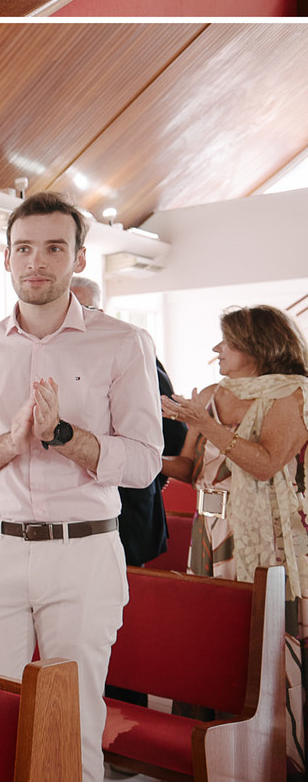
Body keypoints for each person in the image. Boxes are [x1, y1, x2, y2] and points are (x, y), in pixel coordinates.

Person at [0, 191, 162, 782]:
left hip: (83, 550)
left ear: (79, 259)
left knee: (74, 719)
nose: (37, 261)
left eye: (54, 248)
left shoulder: (123, 342)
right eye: (24, 249)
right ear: (7, 260)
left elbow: (145, 462)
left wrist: (65, 435)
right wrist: (9, 446)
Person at [161, 304, 308, 776]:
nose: (215, 350)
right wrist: (134, 456)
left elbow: (265, 464)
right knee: (212, 632)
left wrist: (204, 424)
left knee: (266, 634)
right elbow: (188, 468)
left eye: (225, 341)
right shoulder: (211, 393)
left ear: (256, 346)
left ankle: (274, 753)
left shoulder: (292, 395)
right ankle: (214, 746)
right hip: (210, 532)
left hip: (270, 536)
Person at [69, 274, 186, 569]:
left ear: (101, 311)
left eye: (84, 309)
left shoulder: (130, 349)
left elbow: (172, 435)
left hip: (127, 504)